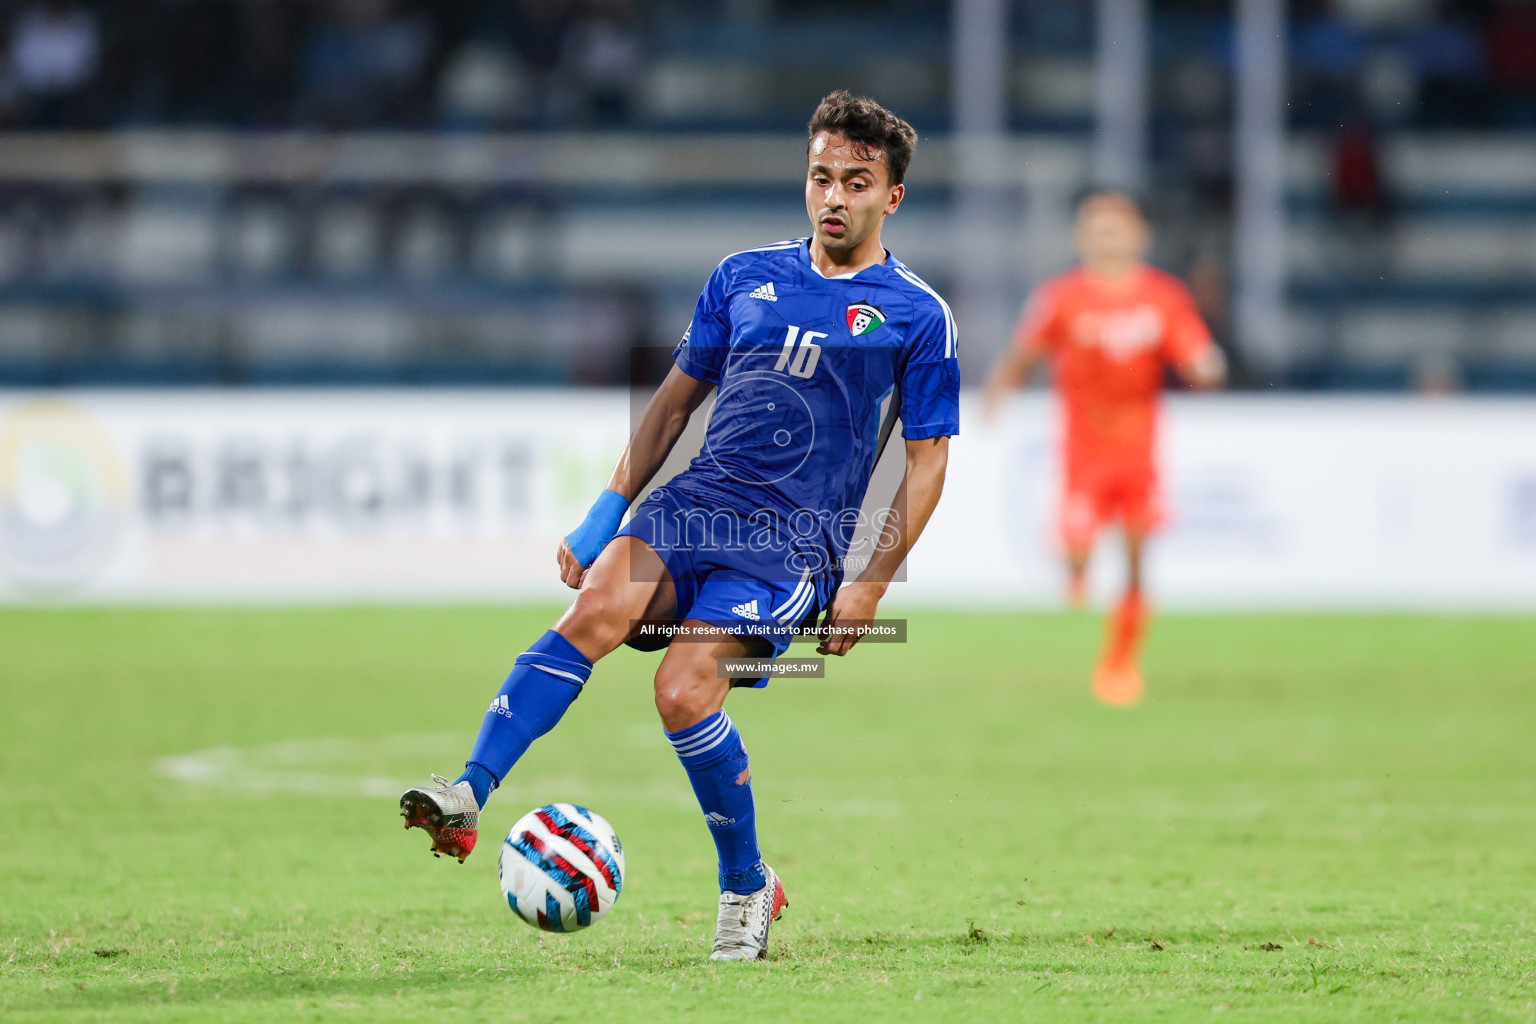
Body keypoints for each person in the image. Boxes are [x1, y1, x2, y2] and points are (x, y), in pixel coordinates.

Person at [400, 91, 959, 961]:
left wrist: (871, 581)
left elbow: (927, 459)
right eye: (821, 178)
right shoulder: (742, 276)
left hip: (790, 547)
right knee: (589, 612)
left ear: (892, 196)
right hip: (693, 504)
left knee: (682, 690)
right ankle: (468, 795)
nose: (834, 197)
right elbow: (672, 405)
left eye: (857, 182)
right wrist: (604, 512)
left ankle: (747, 888)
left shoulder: (917, 314)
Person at [981, 189, 1224, 707]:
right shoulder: (1063, 297)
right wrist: (999, 391)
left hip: (1139, 447)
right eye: (1096, 228)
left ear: (1140, 236)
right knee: (1077, 552)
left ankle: (1119, 664)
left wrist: (1206, 364)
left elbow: (1193, 346)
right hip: (1083, 448)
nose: (1106, 238)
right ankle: (1074, 575)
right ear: (1081, 238)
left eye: (1115, 228)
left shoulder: (1163, 295)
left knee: (1137, 555)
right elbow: (1026, 352)